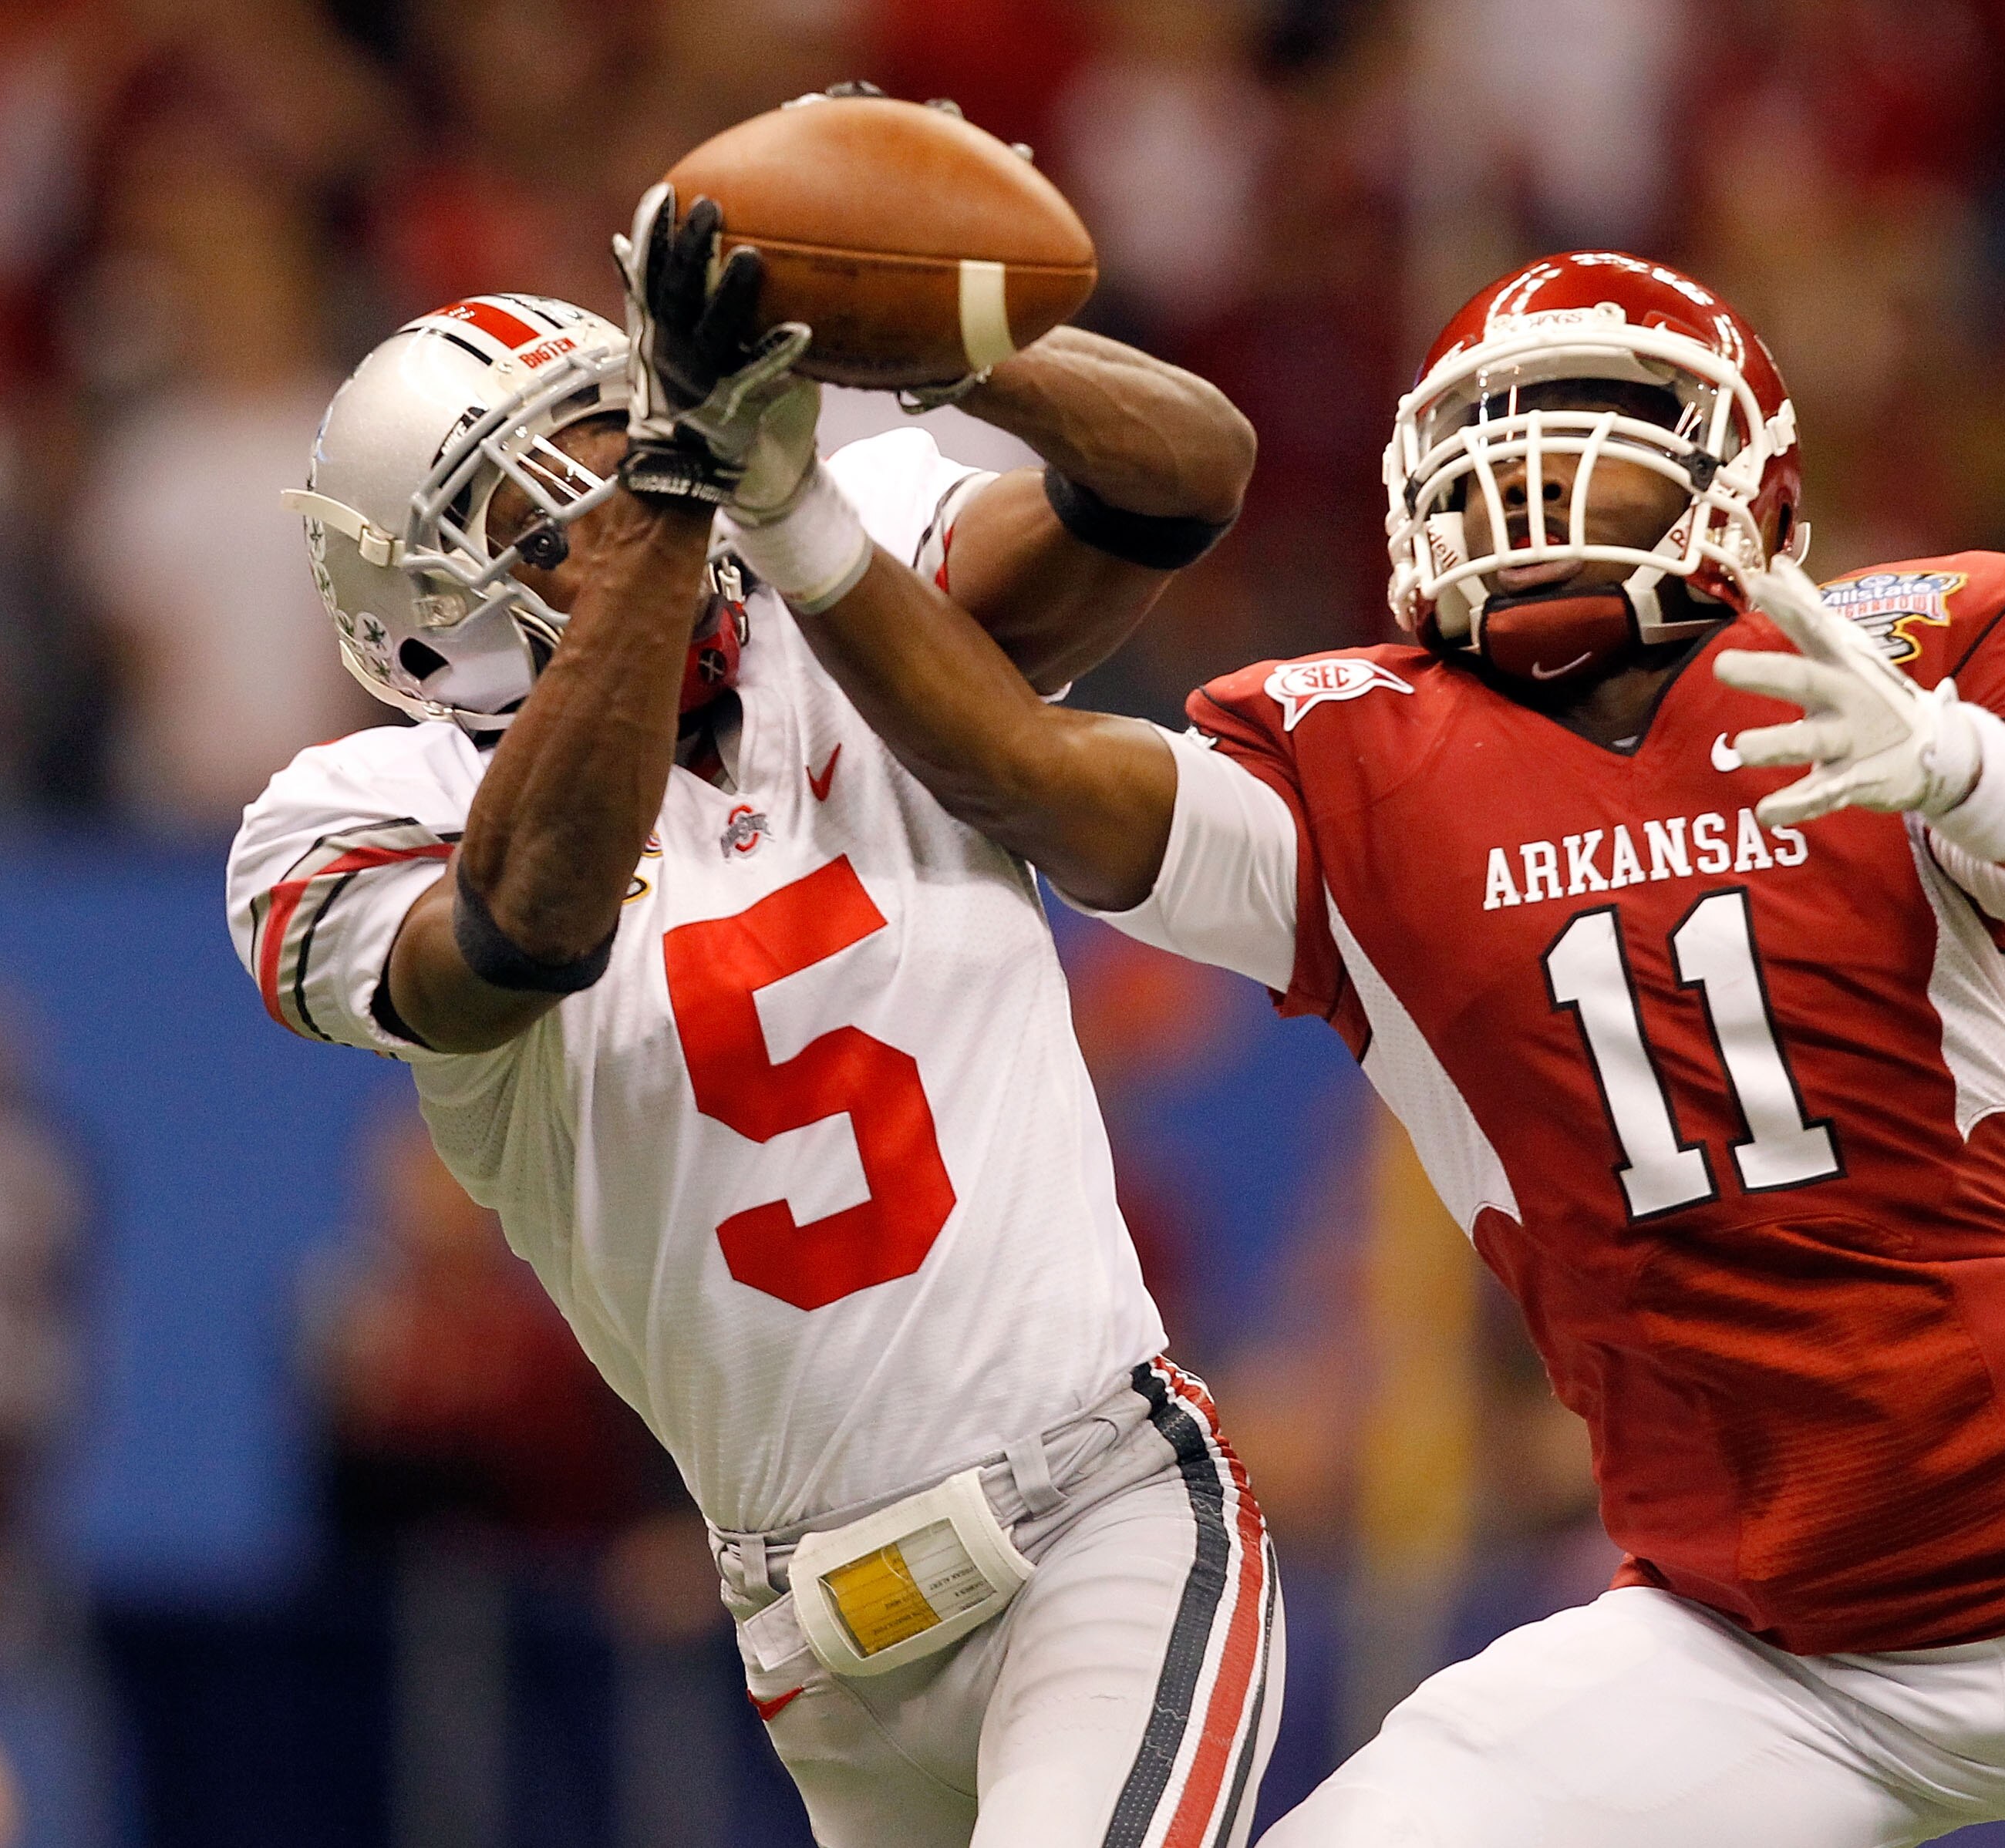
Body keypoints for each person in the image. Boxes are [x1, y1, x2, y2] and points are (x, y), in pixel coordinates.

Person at [758, 248, 2005, 1843]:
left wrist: (1979, 777)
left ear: (1748, 487)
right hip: (1737, 1631)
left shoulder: (1896, 662)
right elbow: (1016, 767)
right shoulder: (1353, 762)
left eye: (1598, 419)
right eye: (1490, 431)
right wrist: (797, 517)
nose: (1531, 469)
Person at [228, 170, 1281, 1848]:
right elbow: (526, 926)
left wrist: (940, 342)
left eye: (611, 435)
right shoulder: (354, 815)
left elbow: (1176, 482)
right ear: (424, 619)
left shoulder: (831, 573)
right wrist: (656, 498)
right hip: (813, 1636)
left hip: (1099, 1511)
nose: (611, 498)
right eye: (539, 502)